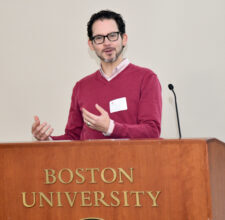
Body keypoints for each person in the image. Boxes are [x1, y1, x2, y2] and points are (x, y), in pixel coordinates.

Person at [32, 10, 162, 141]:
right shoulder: (81, 87)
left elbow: (152, 131)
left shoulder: (146, 78)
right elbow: (73, 138)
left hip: (132, 161)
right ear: (91, 45)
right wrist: (47, 140)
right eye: (99, 38)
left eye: (112, 35)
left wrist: (110, 127)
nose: (106, 43)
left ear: (124, 39)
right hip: (90, 161)